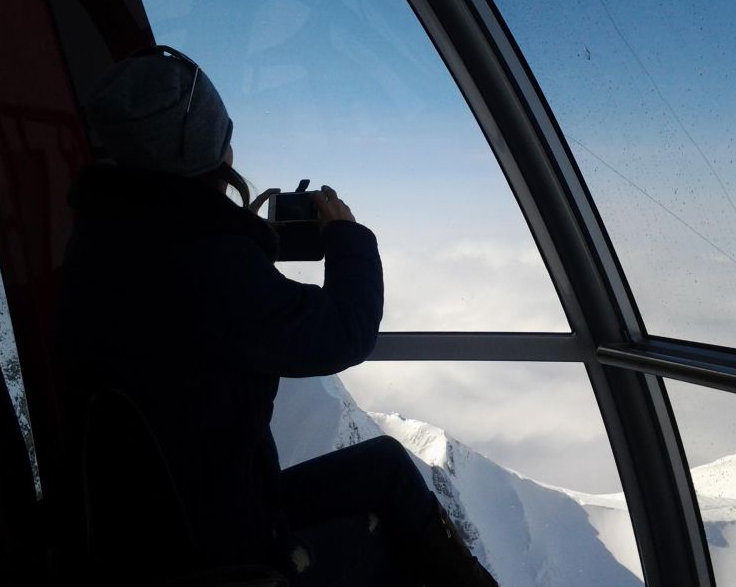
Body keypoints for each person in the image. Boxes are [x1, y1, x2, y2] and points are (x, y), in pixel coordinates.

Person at [55, 45, 497, 586]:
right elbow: (345, 332)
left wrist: (242, 240)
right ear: (204, 146)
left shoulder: (107, 233)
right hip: (216, 551)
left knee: (384, 465)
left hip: (156, 524)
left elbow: (200, 304)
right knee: (391, 535)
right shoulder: (204, 264)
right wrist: (347, 238)